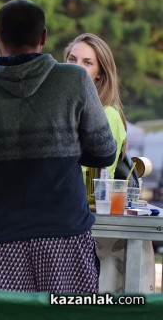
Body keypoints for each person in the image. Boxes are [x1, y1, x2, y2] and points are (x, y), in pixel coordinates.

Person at [0, 0, 117, 293]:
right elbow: (105, 153)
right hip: (64, 235)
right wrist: (62, 147)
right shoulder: (74, 78)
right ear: (43, 37)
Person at [64, 33, 155, 293]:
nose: (77, 67)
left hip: (87, 224)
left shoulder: (108, 114)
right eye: (72, 59)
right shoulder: (62, 108)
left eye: (87, 62)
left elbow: (77, 168)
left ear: (100, 74)